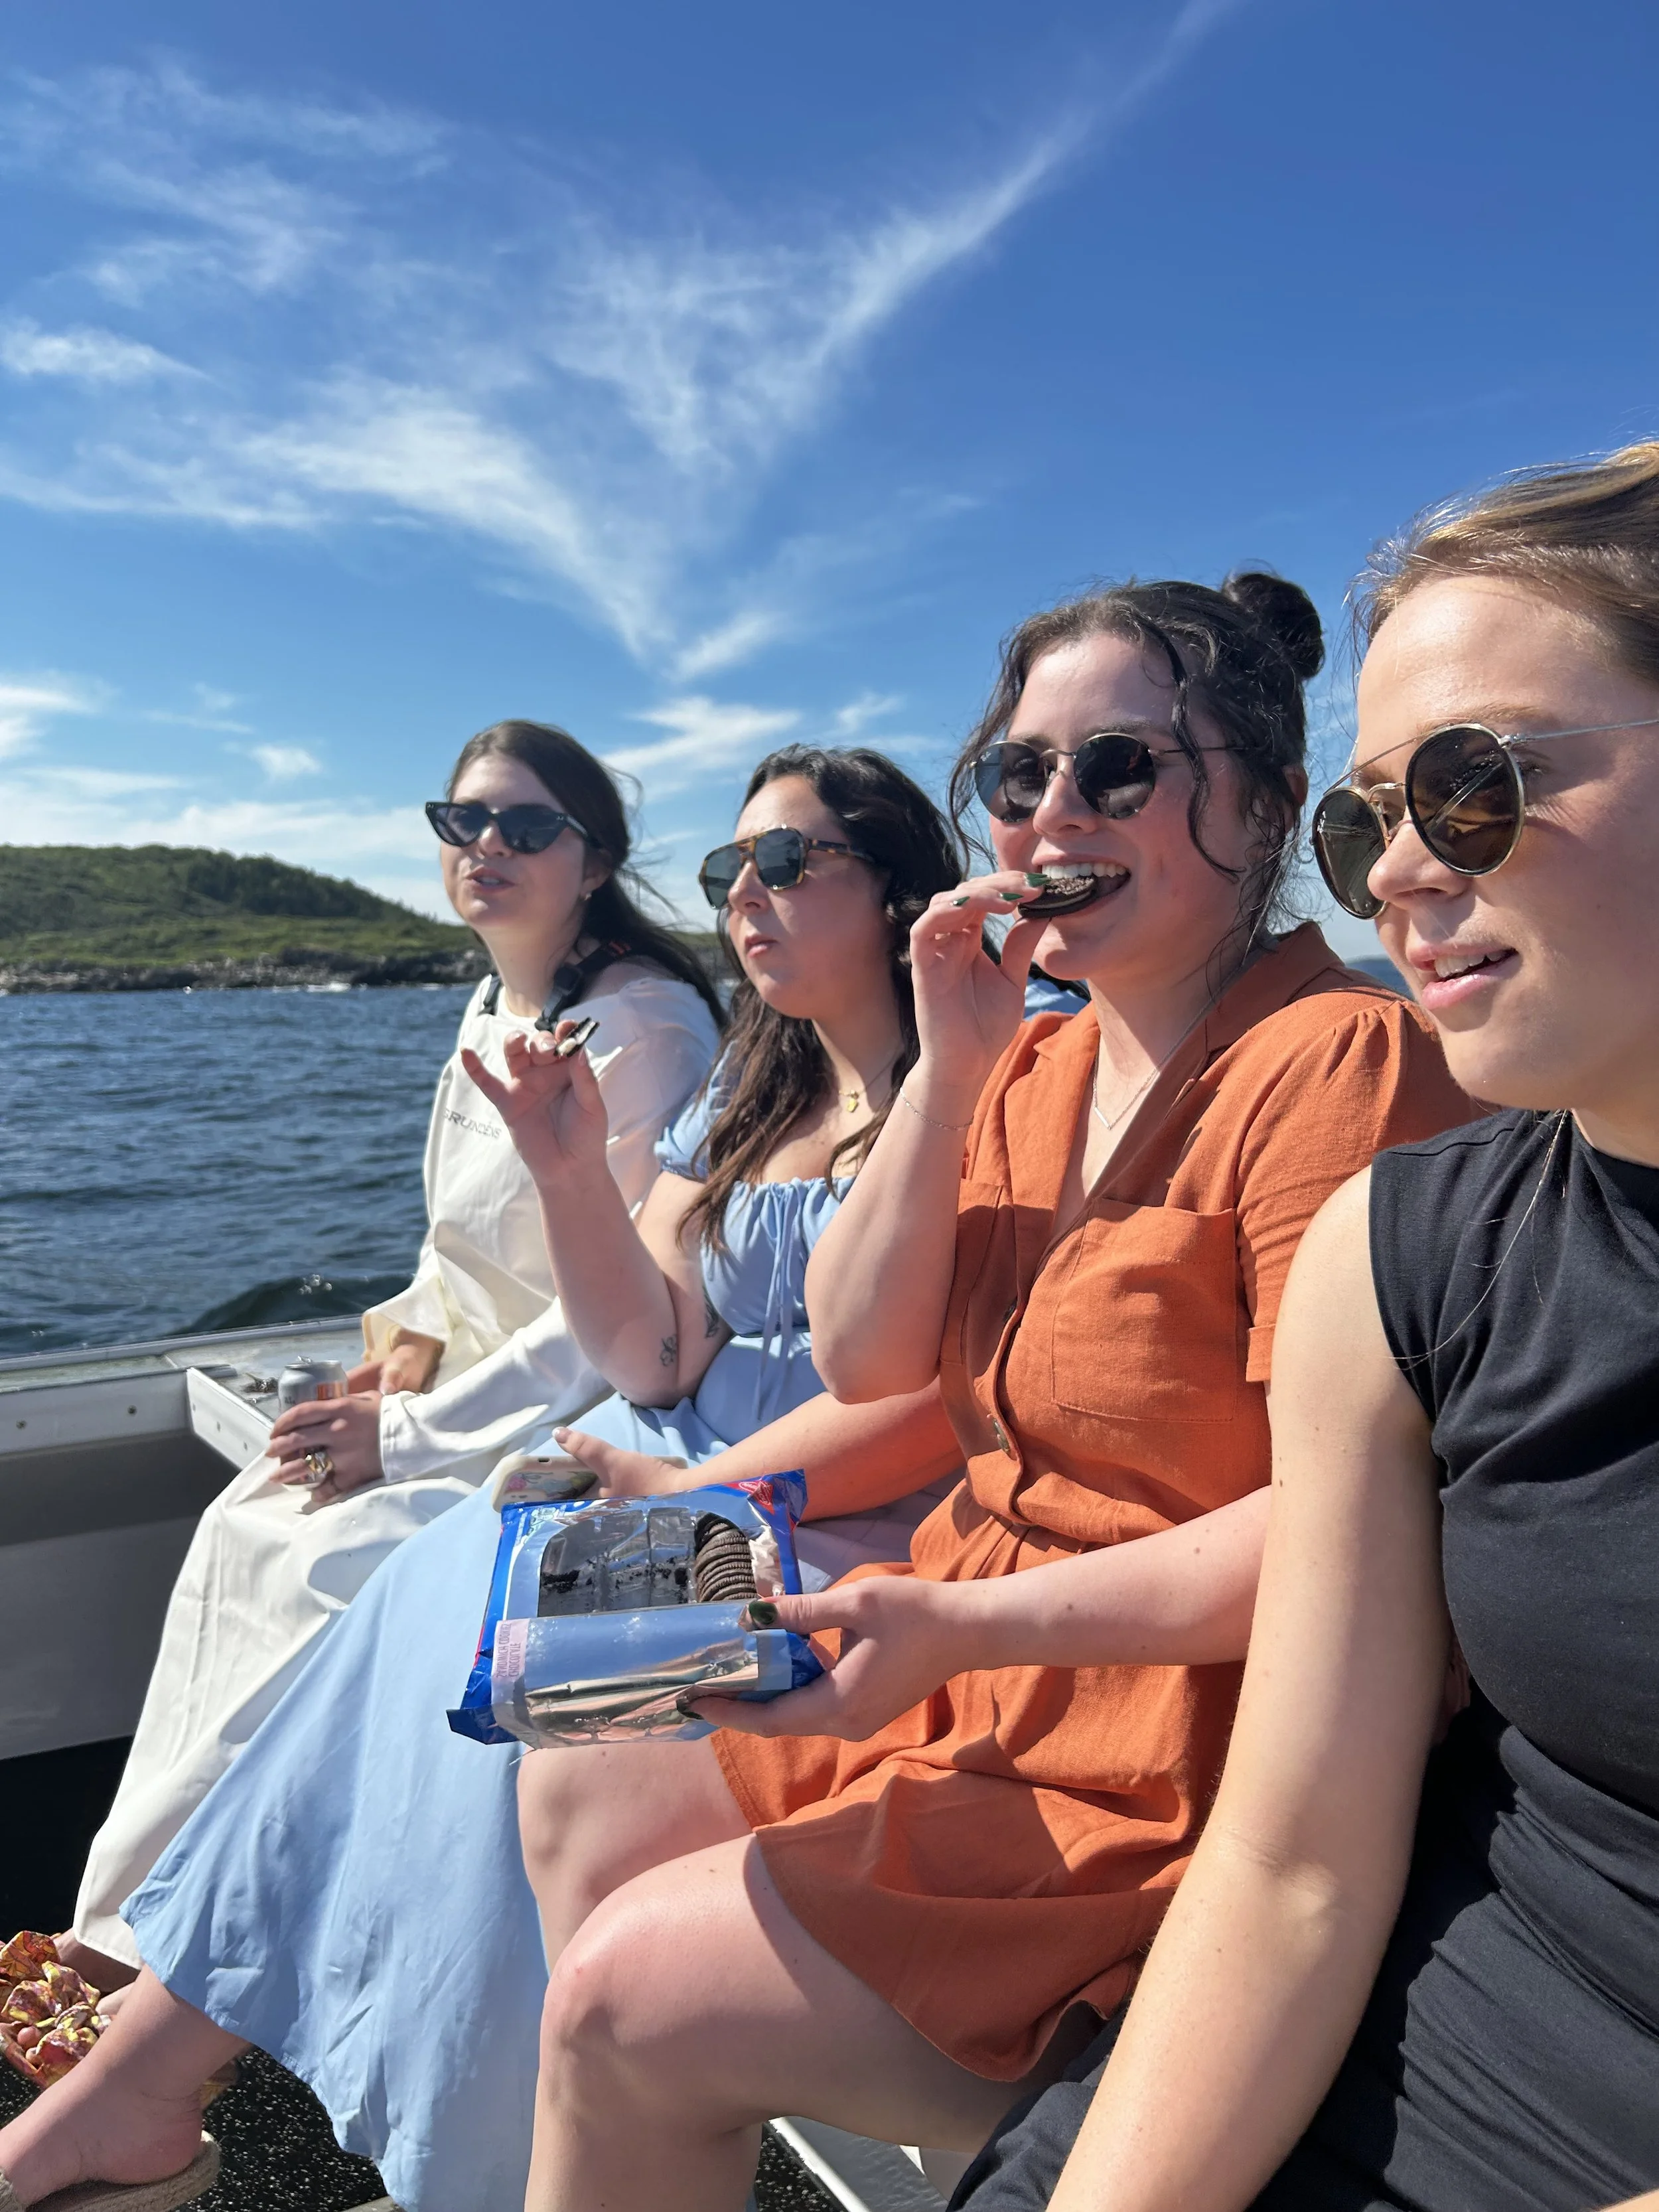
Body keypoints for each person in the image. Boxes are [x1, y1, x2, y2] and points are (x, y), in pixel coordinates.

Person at [498, 572, 1475, 2211]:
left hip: (1168, 1746)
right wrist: (950, 1064)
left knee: (620, 2002)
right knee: (577, 1764)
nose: (1049, 814)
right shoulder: (1027, 1057)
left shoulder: (1338, 1067)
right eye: (1015, 779)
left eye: (1116, 770)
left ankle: (681, 2075)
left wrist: (960, 1635)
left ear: (1263, 800)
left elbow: (1346, 1544)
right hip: (966, 1658)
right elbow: (873, 1355)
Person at [0, 746, 967, 2212]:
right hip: (686, 1484)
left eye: (786, 865)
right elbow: (646, 1350)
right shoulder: (755, 1094)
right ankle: (147, 2081)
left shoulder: (968, 1094)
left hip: (821, 1529)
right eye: (729, 874)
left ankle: (433, 2159)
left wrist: (682, 1494)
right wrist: (570, 1168)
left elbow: (931, 1399)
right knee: (421, 1602)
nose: (745, 902)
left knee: (503, 1659)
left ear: (895, 885)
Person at [952, 447, 1659, 2212]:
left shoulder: (1320, 1080)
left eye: (1474, 785)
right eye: (1370, 822)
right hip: (1407, 2028)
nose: (1403, 872)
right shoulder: (1412, 1253)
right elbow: (1289, 1866)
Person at [66, 717, 722, 1984]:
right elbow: (454, 1253)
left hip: (580, 1414)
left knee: (329, 1566)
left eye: (527, 826)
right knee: (245, 1523)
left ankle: (159, 1964)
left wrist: (406, 1433)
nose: (487, 845)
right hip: (460, 1398)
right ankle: (118, 1928)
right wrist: (393, 1363)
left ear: (595, 862)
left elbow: (613, 1308)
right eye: (463, 821)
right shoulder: (493, 999)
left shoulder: (645, 1029)